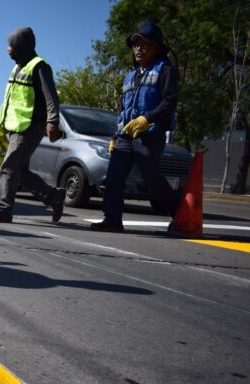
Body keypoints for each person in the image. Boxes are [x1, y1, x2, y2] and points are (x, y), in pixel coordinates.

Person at [91, 21, 178, 233]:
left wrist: (147, 119)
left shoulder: (164, 70)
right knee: (114, 177)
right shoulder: (130, 75)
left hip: (150, 133)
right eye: (136, 45)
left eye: (145, 44)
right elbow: (123, 109)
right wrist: (115, 135)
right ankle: (112, 219)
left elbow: (170, 101)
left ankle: (178, 212)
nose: (139, 49)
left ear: (156, 48)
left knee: (151, 178)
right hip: (126, 135)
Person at [0, 27, 65, 224]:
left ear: (21, 46)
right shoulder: (18, 67)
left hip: (30, 126)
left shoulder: (39, 66)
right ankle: (53, 197)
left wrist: (52, 122)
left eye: (12, 45)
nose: (8, 49)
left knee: (8, 166)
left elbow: (51, 97)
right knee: (20, 171)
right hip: (15, 126)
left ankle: (2, 210)